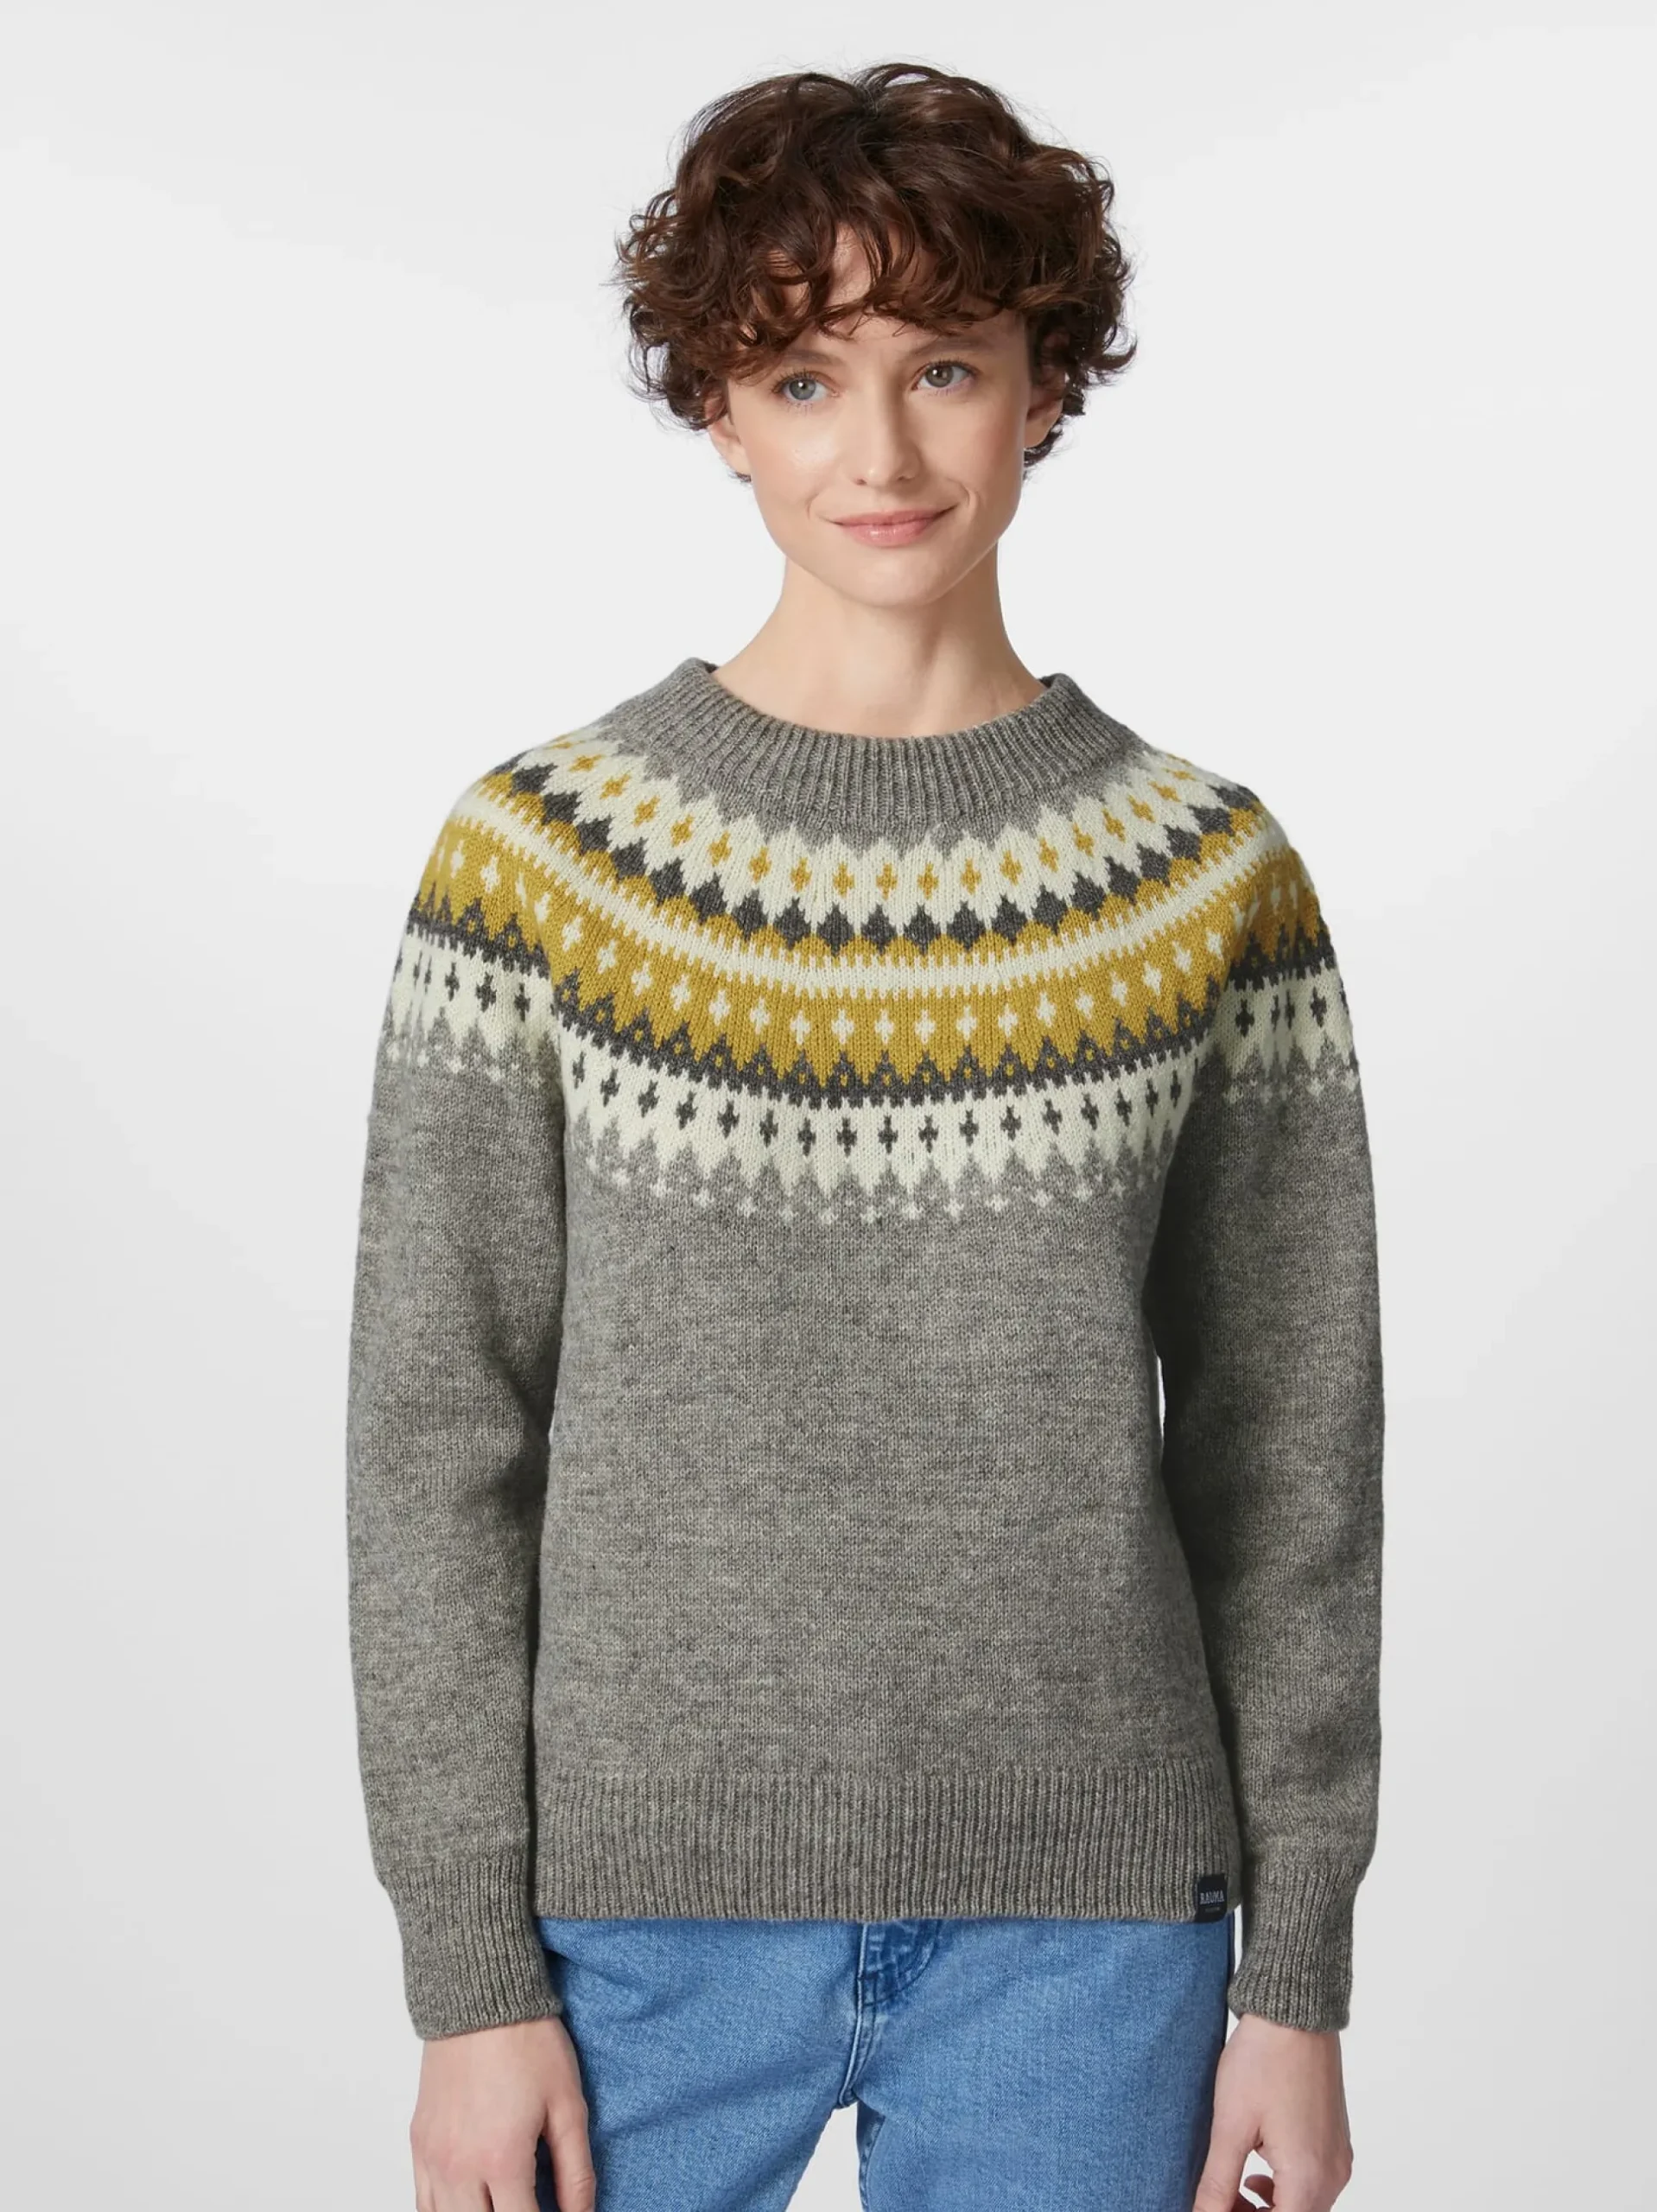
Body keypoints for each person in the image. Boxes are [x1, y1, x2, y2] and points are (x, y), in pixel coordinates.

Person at [345, 59, 1384, 2212]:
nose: (882, 452)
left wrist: (1295, 1978)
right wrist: (465, 1975)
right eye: (805, 376)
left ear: (1046, 388)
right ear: (720, 411)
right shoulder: (546, 858)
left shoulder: (1204, 876)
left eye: (946, 367)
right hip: (625, 1925)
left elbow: (1293, 1462)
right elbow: (435, 1438)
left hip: (1094, 1925)